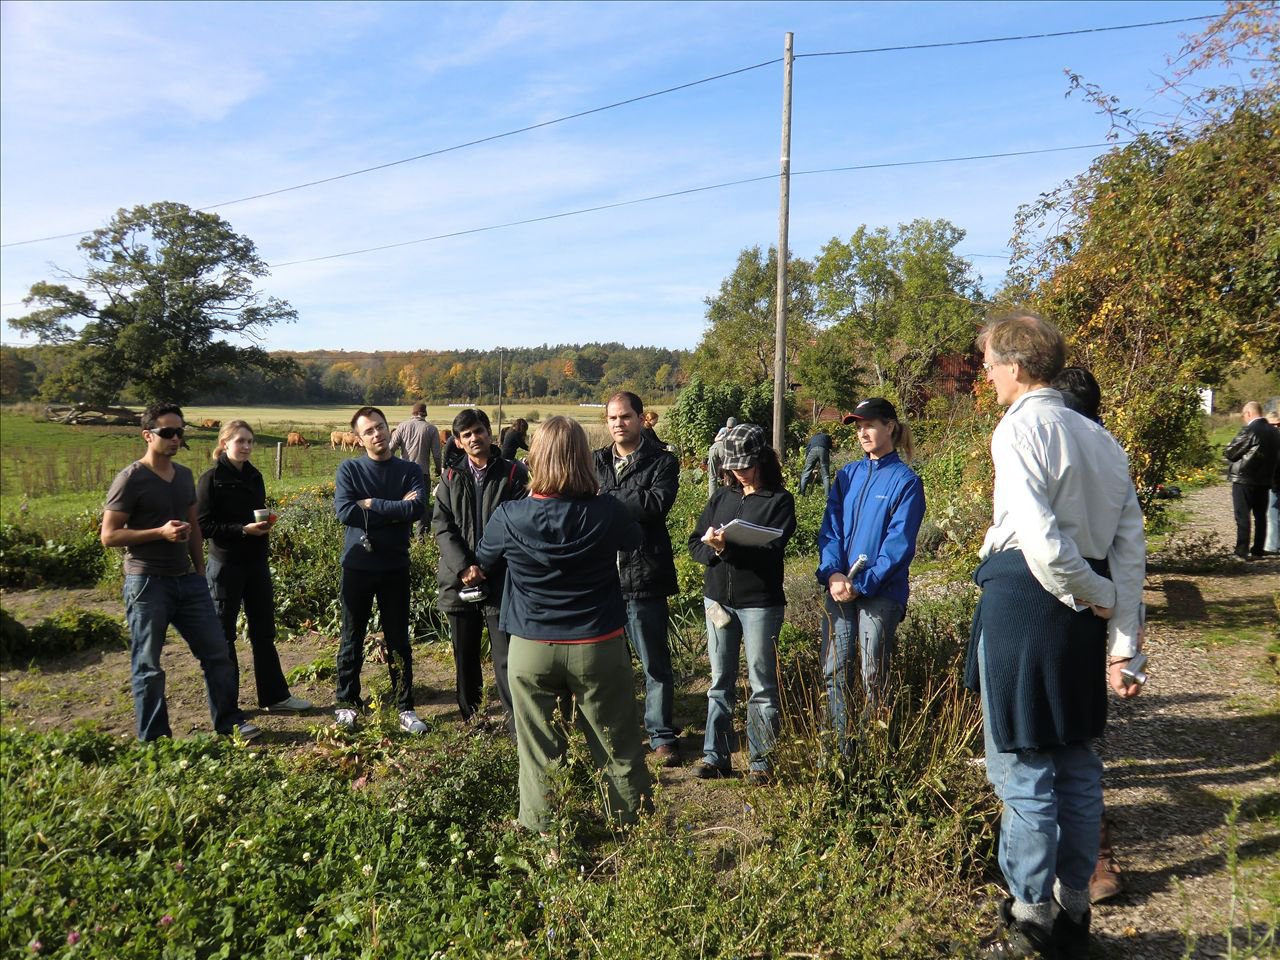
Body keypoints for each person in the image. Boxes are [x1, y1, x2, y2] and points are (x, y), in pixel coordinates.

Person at [970, 314, 1145, 959]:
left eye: (989, 363)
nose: (986, 375)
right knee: (1075, 760)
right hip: (1080, 609)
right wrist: (1125, 637)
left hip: (1032, 600)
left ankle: (1029, 923)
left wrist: (1096, 598)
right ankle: (1074, 916)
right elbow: (1129, 551)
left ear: (1016, 366)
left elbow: (1043, 543)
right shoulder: (1101, 439)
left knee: (1024, 765)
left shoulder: (1021, 427)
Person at [476, 416, 651, 834]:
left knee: (538, 752)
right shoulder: (607, 510)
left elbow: (483, 560)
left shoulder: (510, 515)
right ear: (583, 458)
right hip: (598, 642)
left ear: (535, 457)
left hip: (531, 644)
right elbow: (634, 541)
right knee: (616, 744)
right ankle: (633, 834)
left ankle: (547, 840)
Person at [101, 403, 259, 741]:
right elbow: (109, 535)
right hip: (146, 582)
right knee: (149, 666)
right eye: (168, 432)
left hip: (187, 581)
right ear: (148, 435)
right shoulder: (131, 478)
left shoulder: (184, 475)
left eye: (180, 431)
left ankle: (229, 721)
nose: (176, 438)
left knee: (217, 652)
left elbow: (195, 526)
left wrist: (200, 570)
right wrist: (158, 533)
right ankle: (156, 741)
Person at [1051, 365, 1123, 904]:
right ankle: (1042, 855)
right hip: (1038, 609)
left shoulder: (1104, 455)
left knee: (1077, 742)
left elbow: (1129, 552)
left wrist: (1125, 645)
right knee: (1039, 742)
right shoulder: (1038, 444)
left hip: (1084, 612)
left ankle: (1095, 856)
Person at [688, 423, 796, 784]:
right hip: (718, 600)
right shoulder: (721, 497)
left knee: (762, 683)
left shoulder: (779, 501)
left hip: (760, 604)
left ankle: (761, 761)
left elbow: (771, 552)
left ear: (763, 458)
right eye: (733, 466)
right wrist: (714, 548)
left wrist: (727, 547)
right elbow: (694, 545)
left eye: (746, 465)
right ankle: (715, 756)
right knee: (719, 681)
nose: (739, 472)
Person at [815, 398, 925, 751]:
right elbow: (830, 530)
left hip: (880, 593)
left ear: (890, 427)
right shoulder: (848, 475)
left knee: (872, 674)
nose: (863, 431)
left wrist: (861, 583)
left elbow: (899, 545)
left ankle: (874, 754)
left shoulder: (906, 481)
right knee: (834, 671)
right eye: (858, 425)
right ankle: (838, 749)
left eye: (871, 424)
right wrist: (833, 574)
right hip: (839, 589)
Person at [196, 421, 311, 714]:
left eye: (250, 441)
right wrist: (242, 529)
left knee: (264, 632)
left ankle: (275, 697)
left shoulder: (255, 476)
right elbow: (203, 525)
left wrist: (264, 524)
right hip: (225, 565)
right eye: (240, 441)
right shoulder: (211, 480)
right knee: (224, 635)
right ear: (224, 444)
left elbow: (255, 513)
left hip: (256, 564)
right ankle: (228, 706)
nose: (246, 446)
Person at [594, 391, 682, 766]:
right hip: (601, 579)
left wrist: (606, 497)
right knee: (607, 666)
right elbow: (586, 499)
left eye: (625, 416)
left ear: (641, 418)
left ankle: (661, 735)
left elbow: (654, 505)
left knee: (653, 663)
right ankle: (619, 732)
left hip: (644, 574)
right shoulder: (596, 460)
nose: (618, 423)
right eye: (612, 418)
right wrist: (621, 497)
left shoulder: (662, 461)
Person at [333, 406, 428, 734]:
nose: (377, 434)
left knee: (399, 639)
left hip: (395, 566)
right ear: (359, 439)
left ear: (389, 428)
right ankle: (347, 702)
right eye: (369, 431)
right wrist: (395, 510)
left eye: (380, 427)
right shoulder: (349, 470)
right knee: (352, 637)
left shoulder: (410, 470)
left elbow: (417, 509)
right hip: (358, 565)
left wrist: (373, 504)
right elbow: (345, 512)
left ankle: (405, 708)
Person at [431, 408, 529, 728]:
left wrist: (483, 565)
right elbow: (443, 527)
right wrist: (464, 568)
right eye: (466, 434)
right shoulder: (449, 478)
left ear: (490, 432)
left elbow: (517, 525)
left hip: (501, 580)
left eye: (479, 431)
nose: (474, 438)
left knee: (506, 658)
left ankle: (516, 724)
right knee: (466, 658)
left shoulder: (513, 474)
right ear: (458, 442)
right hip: (458, 582)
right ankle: (474, 722)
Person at [1224, 401, 1280, 560]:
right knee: (1261, 516)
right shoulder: (1274, 431)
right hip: (1264, 480)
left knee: (1242, 516)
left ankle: (1242, 550)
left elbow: (1231, 452)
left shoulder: (1250, 430)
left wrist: (1229, 448)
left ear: (1248, 413)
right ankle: (1258, 549)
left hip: (1244, 478)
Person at [389, 401, 442, 534]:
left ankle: (405, 533)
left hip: (402, 473)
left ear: (412, 413)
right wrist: (438, 468)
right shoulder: (431, 429)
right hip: (422, 472)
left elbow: (390, 449)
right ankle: (421, 538)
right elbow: (436, 454)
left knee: (405, 502)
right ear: (425, 413)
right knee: (422, 505)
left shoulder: (401, 427)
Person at [799, 429, 833, 496]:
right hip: (823, 450)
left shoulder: (812, 438)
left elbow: (807, 449)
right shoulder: (826, 436)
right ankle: (827, 496)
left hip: (812, 451)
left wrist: (808, 461)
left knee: (806, 473)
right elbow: (830, 447)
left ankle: (801, 494)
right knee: (826, 475)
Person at [1267, 411, 1280, 555]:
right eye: (1273, 425)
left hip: (1275, 482)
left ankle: (1272, 545)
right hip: (1273, 482)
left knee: (1272, 515)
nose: (1276, 427)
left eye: (1278, 424)